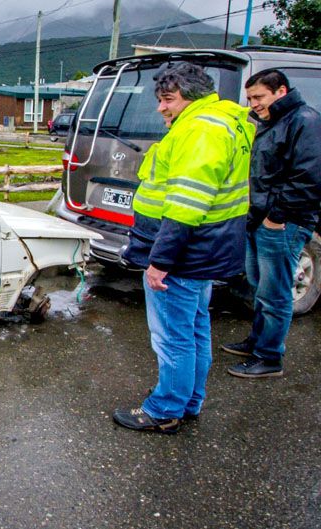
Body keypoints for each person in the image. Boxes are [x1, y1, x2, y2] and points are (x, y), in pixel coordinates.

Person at [113, 62, 255, 434]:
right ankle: (189, 399)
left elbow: (187, 205)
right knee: (194, 329)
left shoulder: (199, 130)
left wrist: (160, 261)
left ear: (190, 97)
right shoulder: (224, 120)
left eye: (168, 100)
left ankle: (165, 409)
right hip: (204, 252)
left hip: (184, 256)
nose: (161, 108)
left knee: (172, 336)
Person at [223, 69, 321, 378]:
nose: (253, 104)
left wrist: (276, 218)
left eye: (259, 97)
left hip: (283, 223)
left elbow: (308, 178)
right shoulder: (271, 123)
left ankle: (269, 357)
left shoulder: (305, 121)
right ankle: (257, 341)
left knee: (275, 292)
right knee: (259, 285)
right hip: (260, 220)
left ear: (280, 91)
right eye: (250, 98)